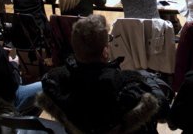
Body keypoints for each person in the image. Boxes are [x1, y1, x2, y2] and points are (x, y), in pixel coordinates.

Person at [38, 14, 172, 134]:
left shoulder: (54, 79)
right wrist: (149, 79)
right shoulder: (130, 82)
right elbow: (163, 111)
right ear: (105, 52)